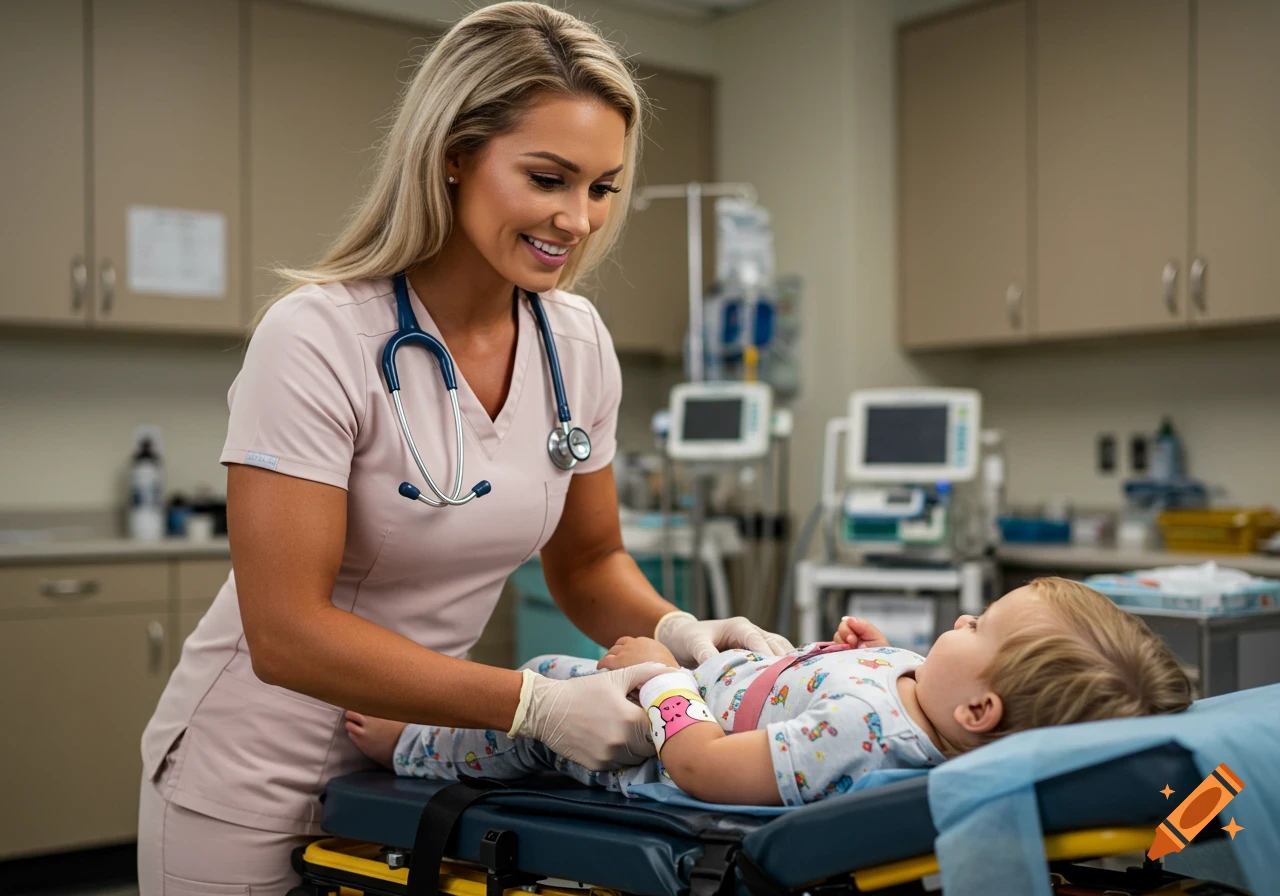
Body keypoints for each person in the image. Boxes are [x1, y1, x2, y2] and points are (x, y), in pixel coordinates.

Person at [136, 4, 792, 892]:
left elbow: (591, 560)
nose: (579, 218)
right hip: (255, 770)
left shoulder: (578, 342)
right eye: (548, 178)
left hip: (416, 764)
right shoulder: (320, 337)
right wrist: (534, 706)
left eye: (602, 186)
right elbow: (284, 635)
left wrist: (680, 633)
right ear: (455, 154)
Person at [346, 577, 1193, 806]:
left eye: (976, 629)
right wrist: (858, 653)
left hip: (649, 736)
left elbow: (711, 770)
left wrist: (663, 678)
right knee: (539, 682)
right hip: (717, 680)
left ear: (980, 712)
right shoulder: (918, 702)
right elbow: (850, 691)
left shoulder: (870, 738)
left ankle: (407, 745)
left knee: (540, 696)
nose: (963, 618)